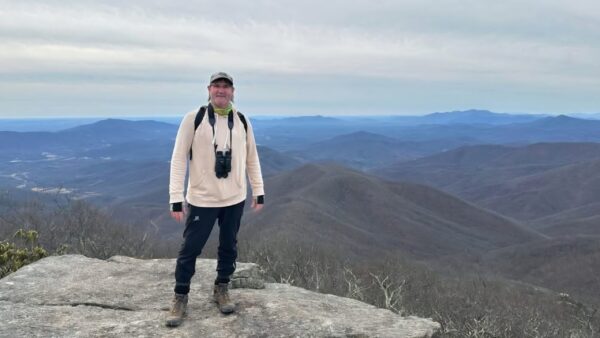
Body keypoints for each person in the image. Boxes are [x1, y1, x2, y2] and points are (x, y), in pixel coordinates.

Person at [165, 72, 264, 327]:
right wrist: (175, 197)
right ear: (208, 90)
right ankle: (180, 296)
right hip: (202, 199)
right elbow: (178, 158)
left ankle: (222, 288)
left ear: (233, 92)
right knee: (191, 249)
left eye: (226, 87)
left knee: (229, 246)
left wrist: (259, 190)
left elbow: (252, 157)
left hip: (234, 197)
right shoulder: (193, 119)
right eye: (217, 86)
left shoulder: (241, 120)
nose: (221, 90)